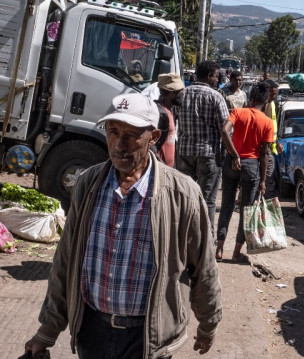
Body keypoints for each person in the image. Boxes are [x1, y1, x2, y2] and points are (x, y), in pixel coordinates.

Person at [23, 93, 222, 358]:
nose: (119, 144)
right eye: (113, 132)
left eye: (131, 135)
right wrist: (48, 329)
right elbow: (67, 258)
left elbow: (204, 266)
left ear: (153, 136)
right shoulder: (88, 183)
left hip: (147, 338)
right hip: (92, 332)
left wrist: (208, 325)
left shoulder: (182, 193)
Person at [216, 82, 274, 262]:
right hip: (252, 166)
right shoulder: (267, 122)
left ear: (250, 99)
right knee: (246, 210)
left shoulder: (237, 112)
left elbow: (224, 131)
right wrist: (263, 181)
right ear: (265, 103)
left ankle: (219, 249)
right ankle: (235, 253)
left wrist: (233, 154)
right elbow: (264, 154)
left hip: (231, 163)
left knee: (226, 205)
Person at [175, 60, 229, 233]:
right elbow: (226, 128)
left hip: (184, 153)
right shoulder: (216, 96)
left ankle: (182, 238)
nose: (217, 79)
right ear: (209, 76)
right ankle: (206, 242)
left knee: (184, 198)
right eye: (216, 76)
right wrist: (228, 153)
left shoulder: (182, 94)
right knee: (208, 201)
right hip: (208, 155)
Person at [154, 73, 184, 167]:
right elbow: (151, 145)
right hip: (160, 170)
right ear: (171, 93)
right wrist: (162, 167)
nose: (183, 94)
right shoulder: (160, 113)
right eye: (180, 91)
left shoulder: (170, 110)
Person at [263, 79, 284, 199]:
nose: (273, 96)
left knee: (268, 178)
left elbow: (272, 127)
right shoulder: (262, 105)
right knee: (267, 179)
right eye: (272, 93)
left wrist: (276, 143)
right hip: (264, 149)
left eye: (275, 94)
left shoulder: (272, 104)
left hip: (271, 147)